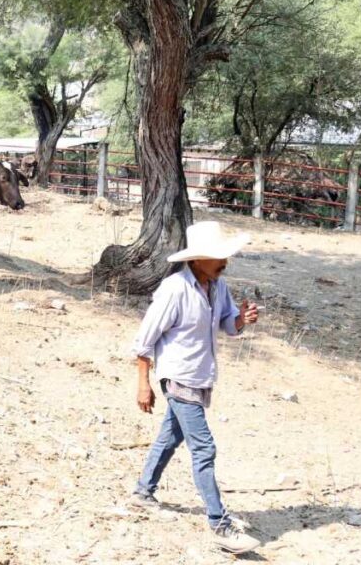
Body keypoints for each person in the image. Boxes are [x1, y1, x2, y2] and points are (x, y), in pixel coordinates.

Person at [129, 221, 262, 555]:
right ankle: (219, 524)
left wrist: (243, 318)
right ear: (197, 259)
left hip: (200, 376)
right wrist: (143, 383)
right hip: (178, 377)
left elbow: (229, 325)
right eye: (217, 257)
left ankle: (143, 491)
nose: (224, 262)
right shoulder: (174, 289)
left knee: (170, 436)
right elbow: (144, 340)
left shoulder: (218, 286)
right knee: (204, 448)